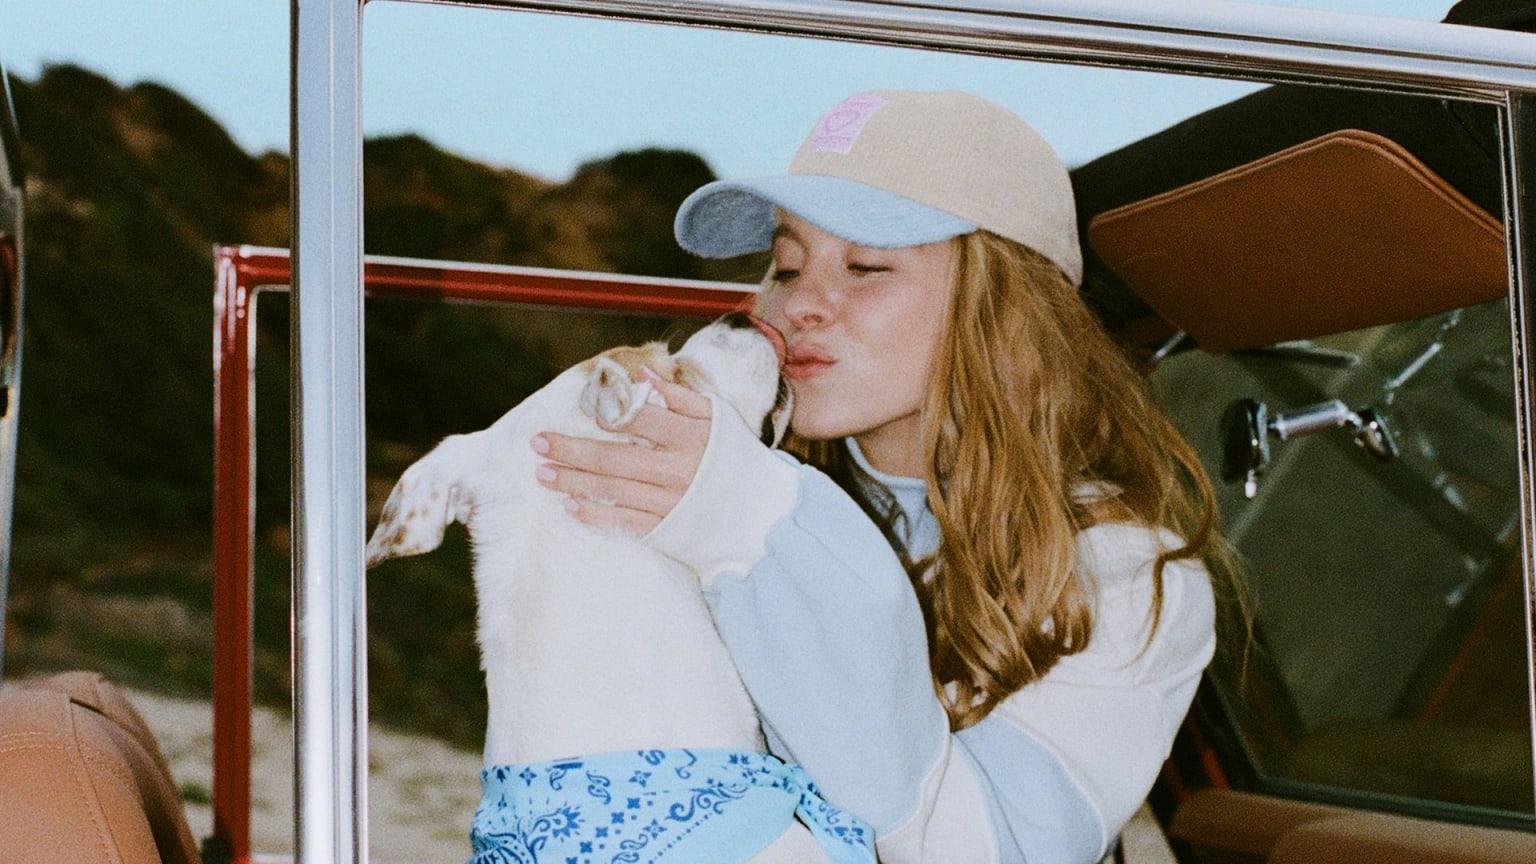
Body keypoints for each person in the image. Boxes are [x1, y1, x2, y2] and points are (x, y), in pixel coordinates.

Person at [529, 89, 1232, 864]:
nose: (800, 304)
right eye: (786, 263)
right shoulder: (709, 488)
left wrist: (753, 530)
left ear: (1004, 311)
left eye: (865, 265)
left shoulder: (1130, 576)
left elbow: (982, 850)